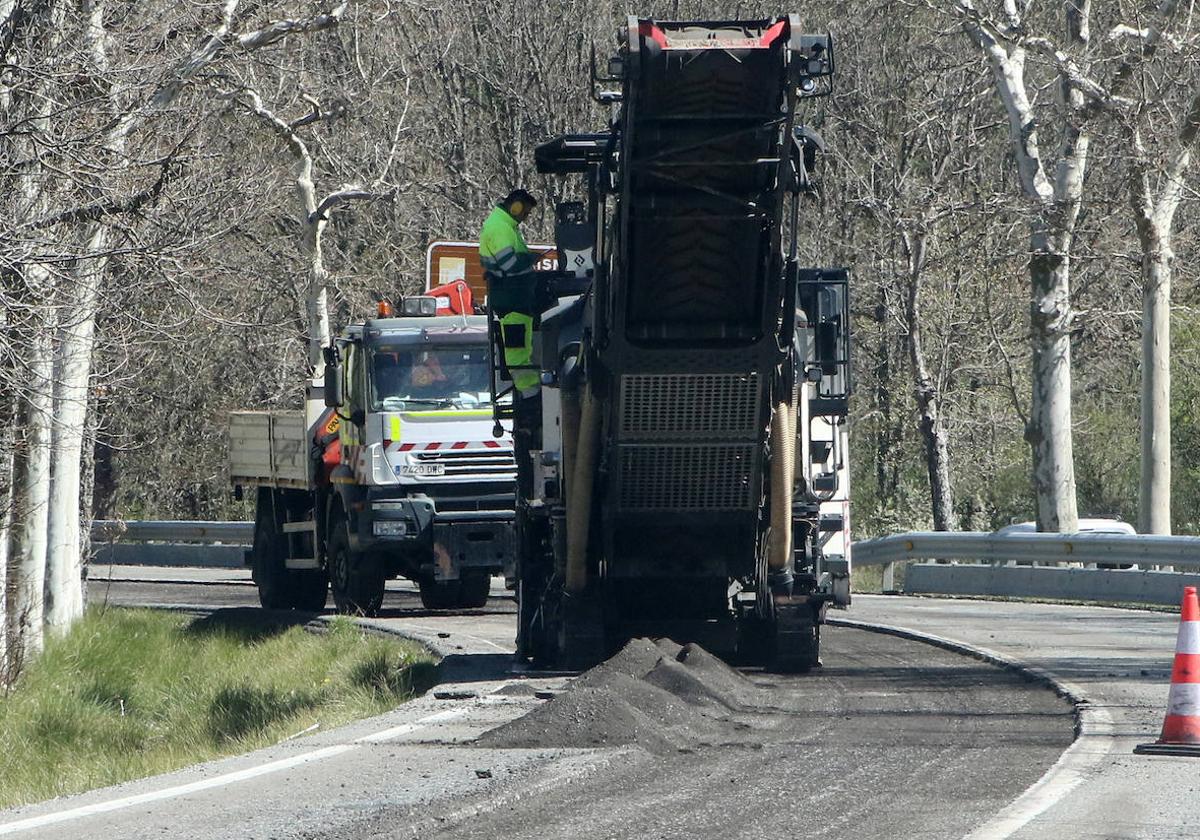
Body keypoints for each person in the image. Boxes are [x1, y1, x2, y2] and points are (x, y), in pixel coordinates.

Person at [480, 189, 541, 398]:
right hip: (512, 300)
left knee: (520, 350)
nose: (525, 218)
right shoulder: (500, 228)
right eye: (525, 212)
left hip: (515, 300)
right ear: (516, 206)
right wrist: (531, 258)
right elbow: (510, 265)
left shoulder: (504, 226)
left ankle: (530, 392)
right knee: (518, 353)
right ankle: (531, 395)